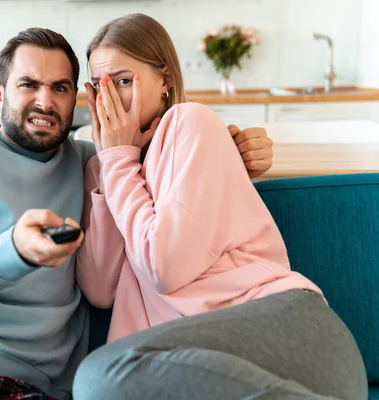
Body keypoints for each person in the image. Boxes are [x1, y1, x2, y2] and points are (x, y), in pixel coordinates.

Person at [0, 27, 274, 400]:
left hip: (22, 381)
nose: (45, 100)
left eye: (60, 88)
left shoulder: (95, 164)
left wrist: (235, 154)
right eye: (28, 85)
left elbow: (168, 176)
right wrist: (14, 249)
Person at [73, 13, 367, 400]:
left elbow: (165, 267)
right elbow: (99, 290)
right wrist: (110, 165)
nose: (109, 99)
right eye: (99, 86)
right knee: (99, 382)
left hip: (284, 331)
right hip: (193, 362)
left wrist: (118, 164)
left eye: (124, 81)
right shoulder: (105, 167)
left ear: (165, 81)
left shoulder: (189, 124)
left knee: (97, 378)